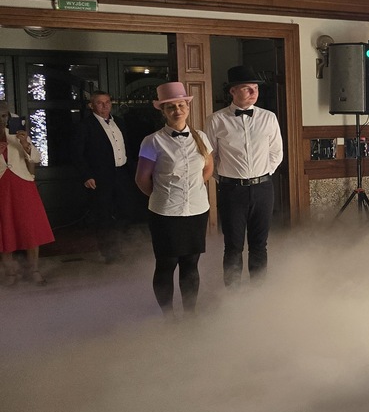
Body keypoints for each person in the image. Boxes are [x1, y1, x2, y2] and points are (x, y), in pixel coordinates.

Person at [135, 83, 213, 318]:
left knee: (191, 263)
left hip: (197, 210)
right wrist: (164, 196)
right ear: (163, 111)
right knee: (166, 265)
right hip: (166, 213)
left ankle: (190, 314)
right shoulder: (152, 141)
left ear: (187, 107)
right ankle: (168, 317)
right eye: (171, 107)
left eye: (181, 105)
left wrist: (192, 189)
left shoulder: (201, 137)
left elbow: (208, 168)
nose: (177, 110)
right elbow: (142, 179)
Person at [207, 65, 283, 288]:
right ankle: (232, 296)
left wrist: (260, 174)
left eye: (255, 89)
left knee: (260, 244)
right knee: (233, 246)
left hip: (263, 188)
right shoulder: (216, 120)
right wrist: (228, 177)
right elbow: (211, 157)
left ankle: (258, 294)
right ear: (232, 91)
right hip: (232, 190)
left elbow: (276, 153)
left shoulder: (269, 118)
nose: (253, 92)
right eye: (247, 88)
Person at [72, 91, 136, 264]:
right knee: (104, 215)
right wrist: (86, 175)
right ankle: (109, 253)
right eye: (100, 103)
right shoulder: (85, 126)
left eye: (107, 102)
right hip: (100, 176)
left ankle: (121, 245)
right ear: (91, 105)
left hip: (122, 172)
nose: (105, 105)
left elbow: (126, 147)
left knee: (126, 210)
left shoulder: (119, 122)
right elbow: (77, 154)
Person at [0, 103, 55, 286]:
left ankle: (34, 270)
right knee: (4, 230)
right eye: (1, 116)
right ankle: (10, 273)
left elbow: (36, 158)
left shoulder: (16, 131)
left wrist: (25, 144)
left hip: (22, 184)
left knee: (30, 228)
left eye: (5, 115)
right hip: (1, 186)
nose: (3, 119)